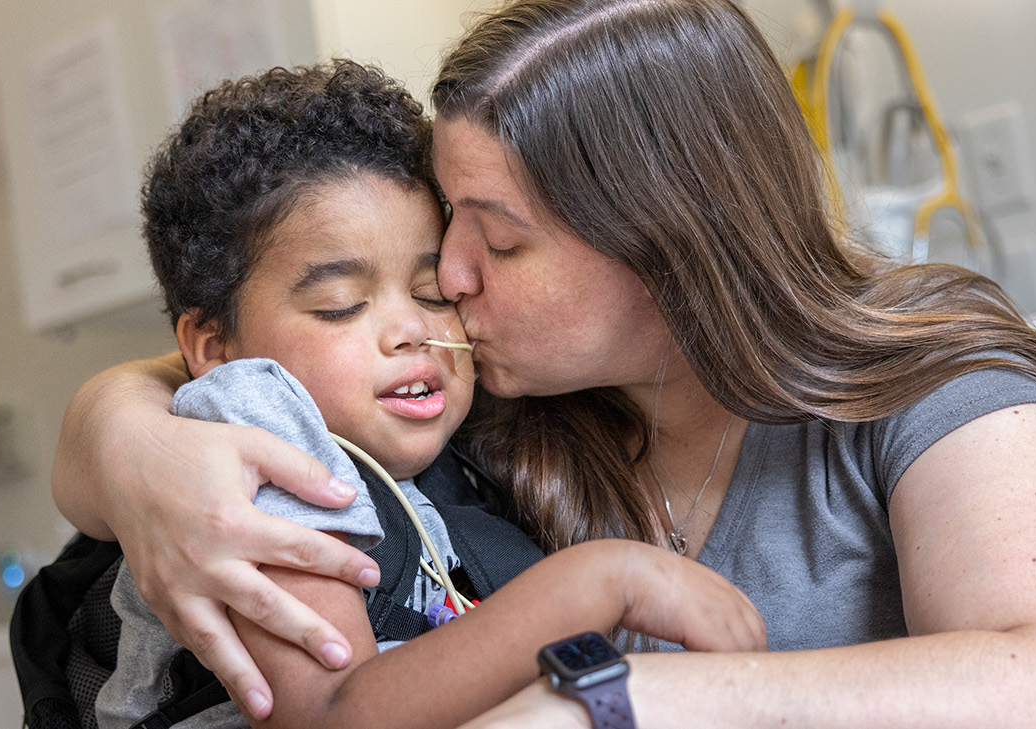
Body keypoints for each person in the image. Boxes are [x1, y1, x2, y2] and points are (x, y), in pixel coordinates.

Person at [53, 1, 1036, 726]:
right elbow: (237, 372)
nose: (450, 290)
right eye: (446, 239)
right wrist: (127, 436)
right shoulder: (499, 411)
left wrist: (629, 700)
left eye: (495, 241)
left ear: (659, 242)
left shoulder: (928, 385)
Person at [93, 59, 764, 729]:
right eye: (341, 304)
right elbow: (331, 712)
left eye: (431, 293)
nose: (413, 329)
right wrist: (605, 580)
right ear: (214, 349)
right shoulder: (253, 430)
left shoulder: (464, 442)